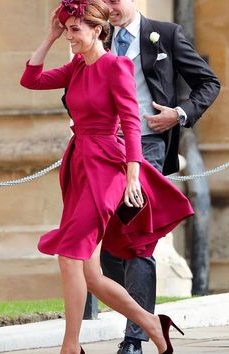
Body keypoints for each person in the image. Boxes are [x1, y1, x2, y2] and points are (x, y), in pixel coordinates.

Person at [20, 1, 194, 353]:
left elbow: (131, 123)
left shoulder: (116, 67)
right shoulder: (76, 68)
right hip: (79, 165)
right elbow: (30, 79)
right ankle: (152, 324)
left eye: (74, 29)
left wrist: (133, 175)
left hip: (107, 169)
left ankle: (70, 346)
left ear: (98, 30)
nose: (70, 36)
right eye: (66, 29)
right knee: (92, 273)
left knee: (69, 254)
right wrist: (51, 36)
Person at [100, 1, 220, 353]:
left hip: (149, 145)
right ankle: (147, 318)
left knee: (138, 238)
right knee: (107, 244)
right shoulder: (97, 37)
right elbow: (71, 90)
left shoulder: (165, 34)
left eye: (113, 0)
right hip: (106, 149)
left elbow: (208, 83)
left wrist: (179, 114)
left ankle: (135, 338)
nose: (108, 8)